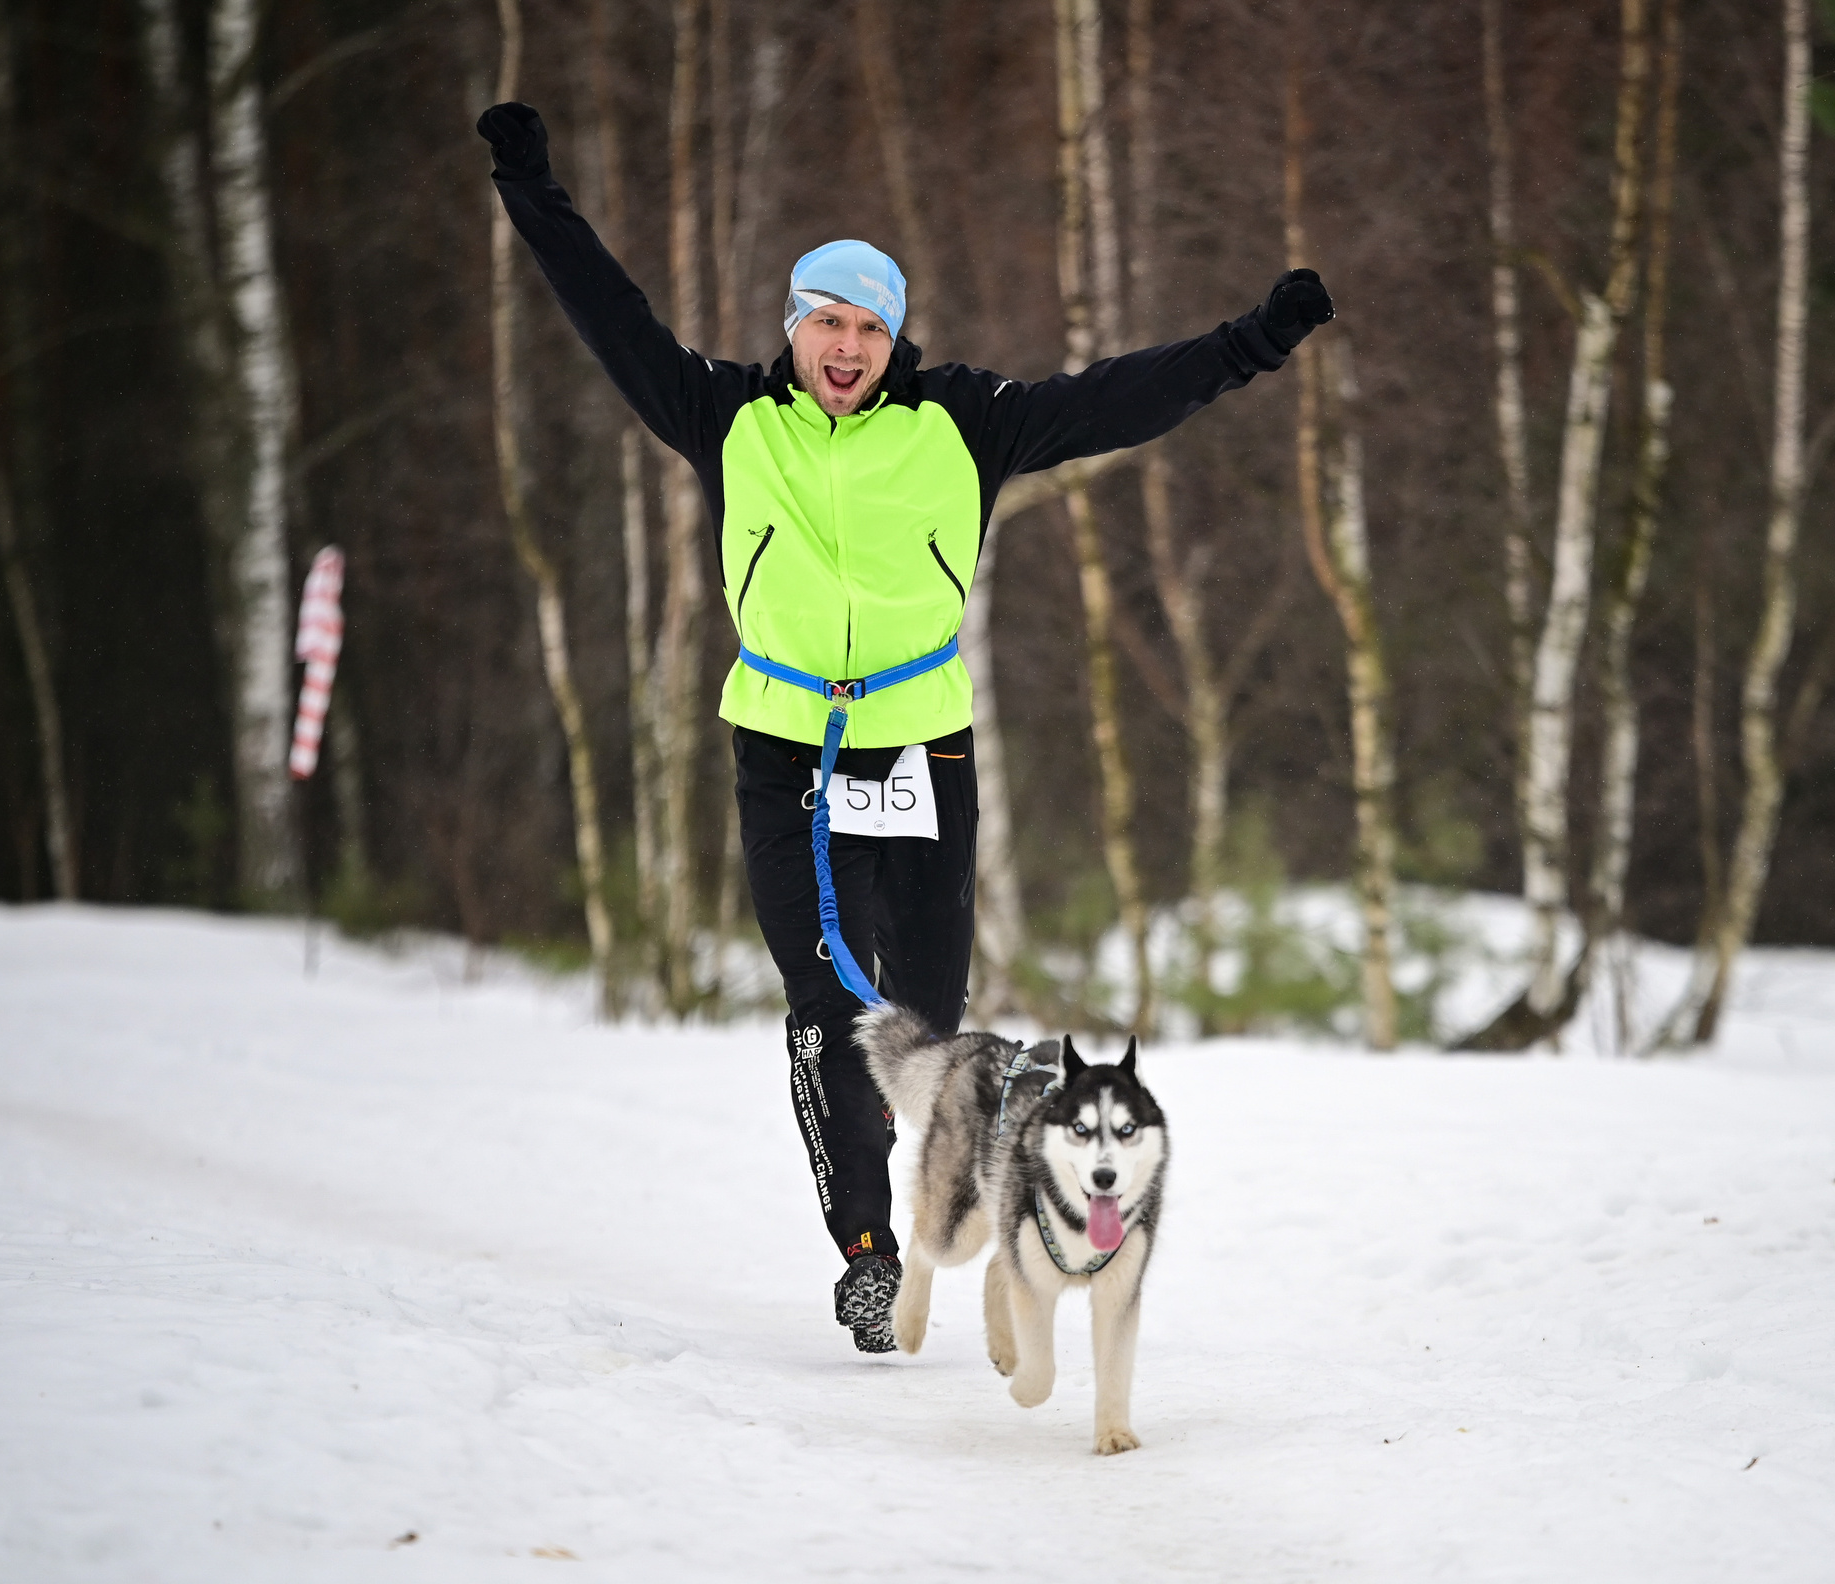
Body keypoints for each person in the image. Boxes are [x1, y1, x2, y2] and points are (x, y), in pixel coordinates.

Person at [475, 100, 1332, 1353]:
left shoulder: (961, 422)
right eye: (827, 320)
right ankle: (868, 1253)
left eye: (870, 327)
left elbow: (1115, 401)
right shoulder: (726, 415)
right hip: (783, 751)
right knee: (827, 1004)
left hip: (921, 748)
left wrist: (1252, 343)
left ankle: (955, 1219)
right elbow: (611, 315)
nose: (847, 345)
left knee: (924, 1018)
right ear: (793, 327)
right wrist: (529, 184)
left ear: (894, 340)